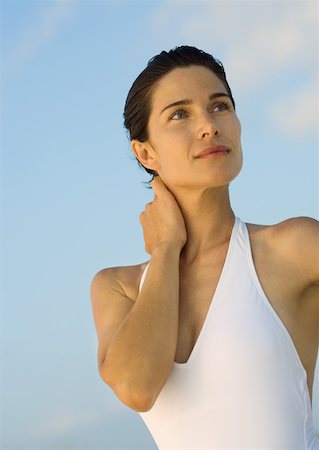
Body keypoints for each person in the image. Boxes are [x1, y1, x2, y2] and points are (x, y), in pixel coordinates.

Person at [90, 46, 319, 449]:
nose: (209, 126)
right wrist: (165, 249)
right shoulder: (118, 288)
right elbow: (135, 385)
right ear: (145, 152)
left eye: (220, 106)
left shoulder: (293, 248)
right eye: (180, 114)